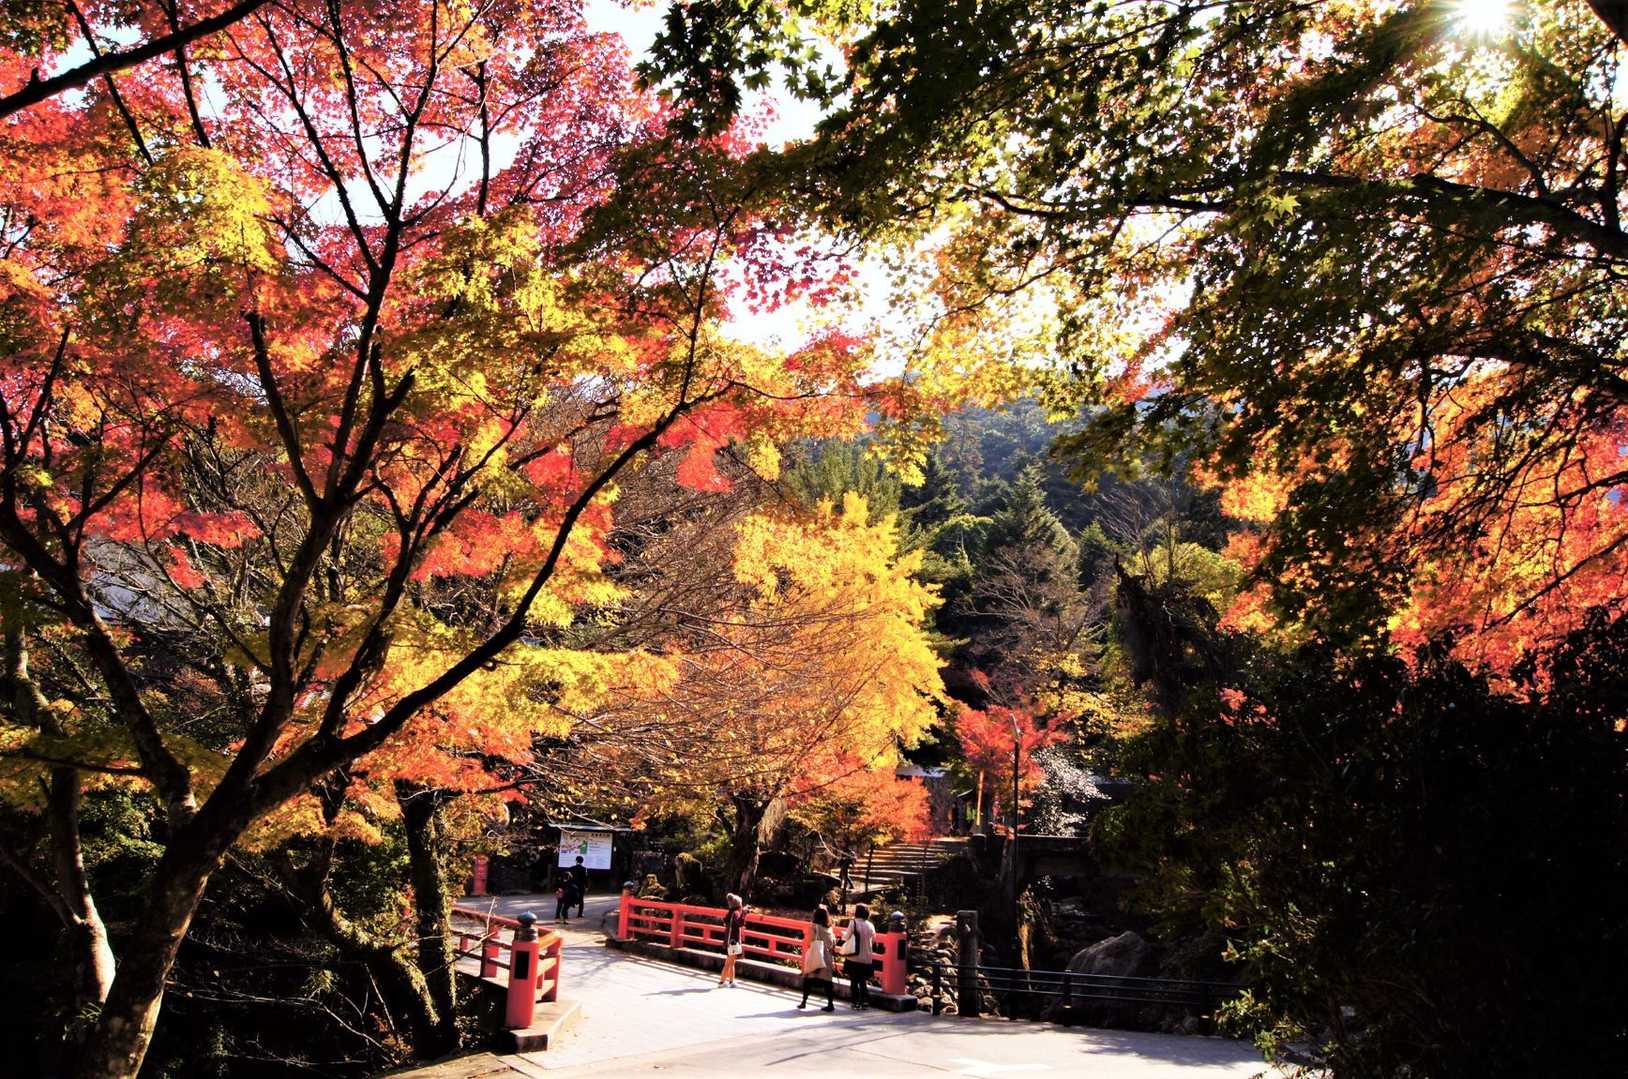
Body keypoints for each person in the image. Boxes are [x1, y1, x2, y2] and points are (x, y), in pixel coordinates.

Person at [799, 906, 837, 1011]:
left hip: (816, 955)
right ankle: (830, 1004)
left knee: (808, 980)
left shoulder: (814, 927)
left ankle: (804, 1002)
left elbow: (809, 941)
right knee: (828, 982)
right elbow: (833, 943)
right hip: (827, 958)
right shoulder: (829, 929)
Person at [843, 903, 877, 1010]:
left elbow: (846, 937)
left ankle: (855, 1001)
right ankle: (864, 1001)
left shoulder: (853, 923)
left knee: (854, 981)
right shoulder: (870, 925)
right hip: (866, 957)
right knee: (863, 981)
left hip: (854, 957)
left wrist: (843, 934)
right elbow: (874, 941)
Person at [719, 893, 748, 987]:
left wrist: (743, 912)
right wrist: (744, 913)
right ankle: (722, 982)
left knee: (732, 962)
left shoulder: (731, 912)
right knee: (729, 962)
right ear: (738, 904)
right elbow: (740, 923)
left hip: (730, 940)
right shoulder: (736, 913)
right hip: (733, 941)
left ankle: (731, 981)